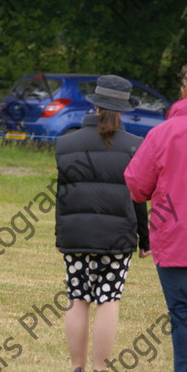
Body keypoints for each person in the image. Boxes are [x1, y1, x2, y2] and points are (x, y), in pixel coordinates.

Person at [54, 75, 150, 372]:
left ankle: (77, 367)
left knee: (77, 297)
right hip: (117, 236)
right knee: (109, 300)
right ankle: (100, 368)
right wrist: (144, 240)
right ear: (122, 110)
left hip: (75, 234)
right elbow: (139, 198)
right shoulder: (136, 146)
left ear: (94, 105)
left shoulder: (65, 143)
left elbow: (63, 193)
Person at [124, 65, 187, 372]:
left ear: (183, 91)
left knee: (182, 317)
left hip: (175, 242)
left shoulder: (162, 134)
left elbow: (136, 185)